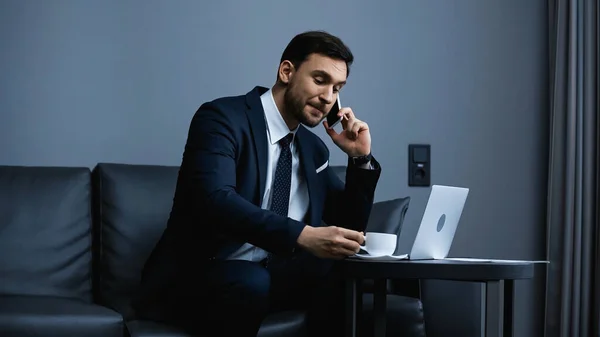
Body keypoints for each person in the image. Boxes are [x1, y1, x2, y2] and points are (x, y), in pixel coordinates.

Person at [132, 30, 382, 337]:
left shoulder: (312, 148)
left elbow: (347, 229)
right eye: (320, 80)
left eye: (337, 88)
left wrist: (361, 160)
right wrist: (301, 235)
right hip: (204, 276)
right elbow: (215, 200)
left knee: (342, 270)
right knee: (251, 280)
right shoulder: (222, 118)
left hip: (271, 277)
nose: (328, 97)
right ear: (287, 71)